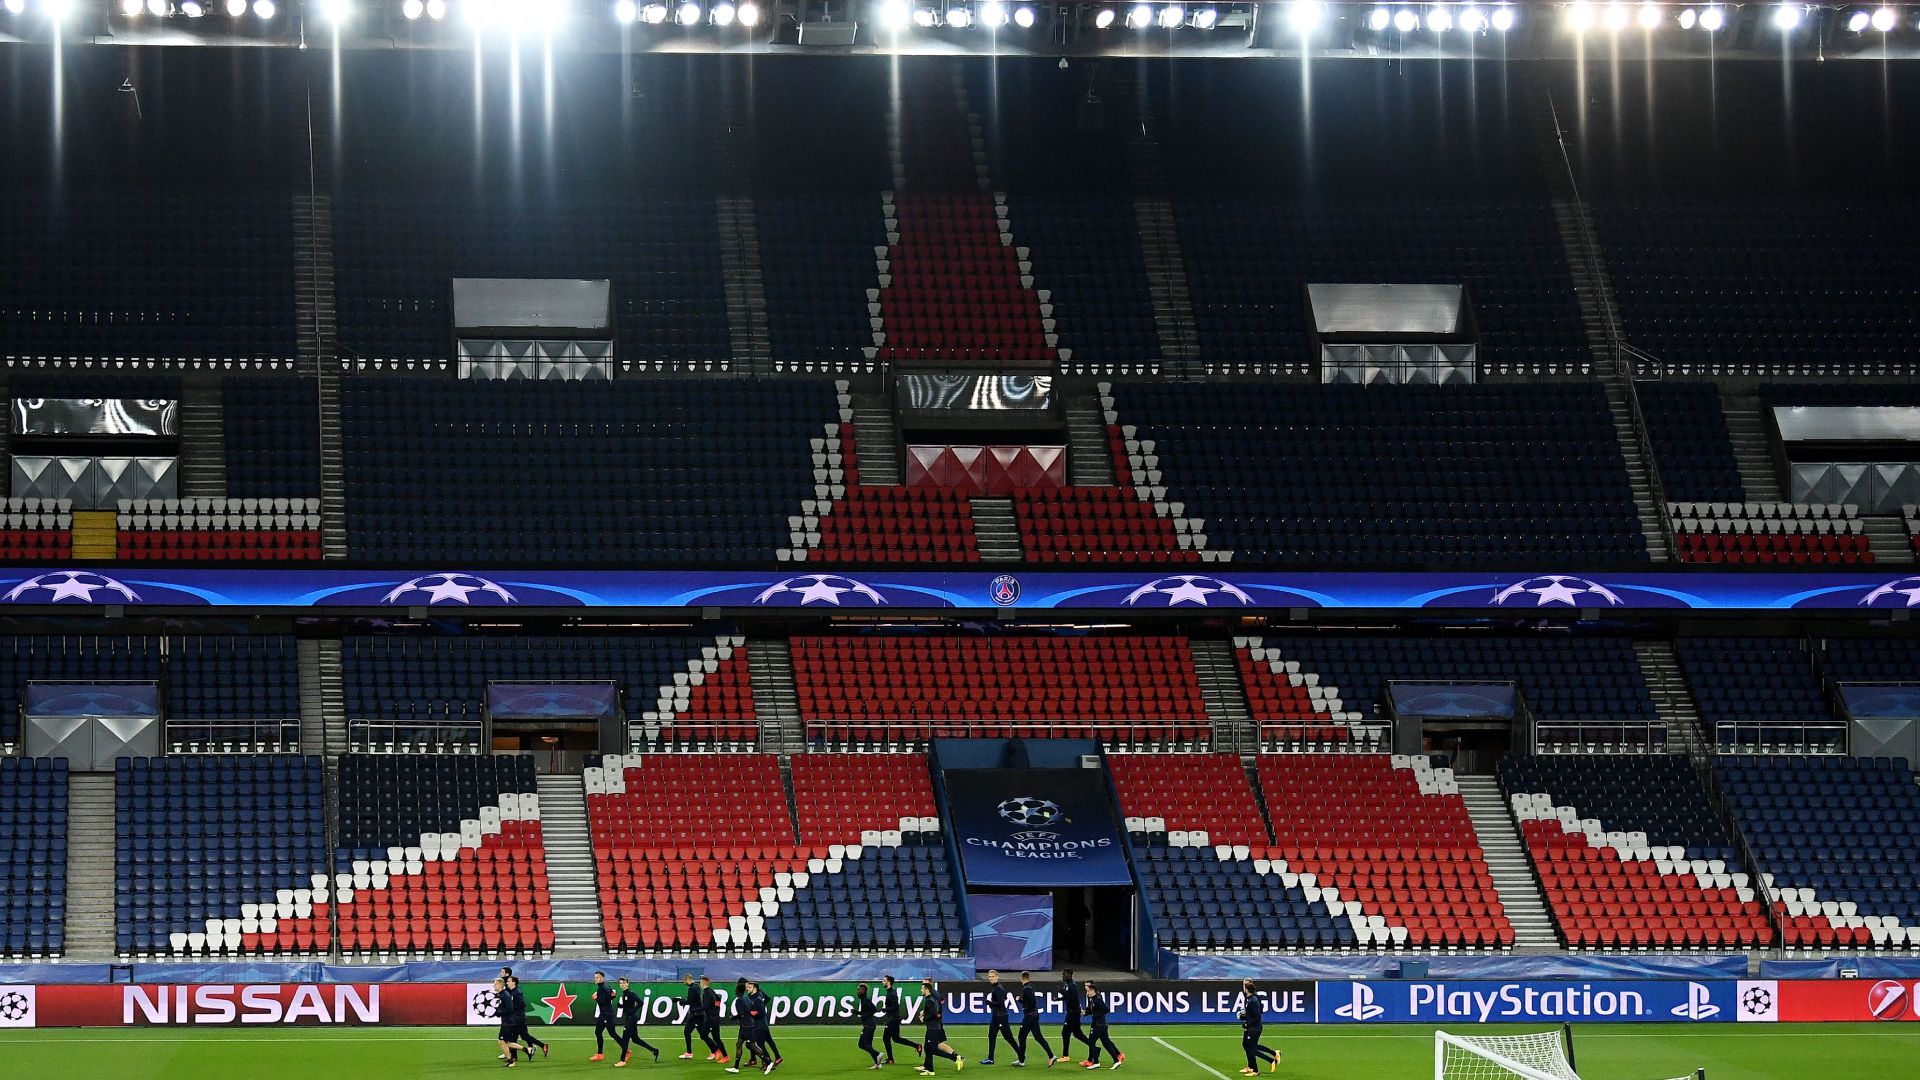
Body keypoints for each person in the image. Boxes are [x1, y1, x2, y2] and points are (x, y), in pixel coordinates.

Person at [917, 978, 963, 1076]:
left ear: (927, 987)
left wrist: (924, 1018)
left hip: (934, 1027)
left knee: (933, 1048)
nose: (921, 989)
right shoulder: (932, 998)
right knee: (928, 1047)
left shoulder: (931, 999)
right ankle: (929, 1069)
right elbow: (939, 1004)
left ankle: (955, 1058)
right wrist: (926, 1012)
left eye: (923, 987)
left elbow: (935, 1013)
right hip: (933, 1026)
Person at [615, 976, 663, 1068]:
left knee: (625, 1040)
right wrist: (621, 1006)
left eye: (624, 983)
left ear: (628, 984)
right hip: (630, 1018)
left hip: (630, 1019)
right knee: (635, 1039)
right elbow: (628, 1006)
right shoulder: (624, 994)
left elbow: (641, 1002)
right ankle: (654, 1050)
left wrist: (632, 1011)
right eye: (621, 983)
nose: (622, 985)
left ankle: (622, 1060)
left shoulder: (630, 993)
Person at [1015, 971, 1057, 1068]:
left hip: (1030, 1016)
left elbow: (1033, 1001)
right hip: (1033, 1015)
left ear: (1021, 978)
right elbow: (1030, 1001)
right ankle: (1051, 1056)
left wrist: (1026, 1007)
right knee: (1038, 1037)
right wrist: (1021, 1000)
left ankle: (1021, 1060)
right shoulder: (1030, 986)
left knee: (1021, 1036)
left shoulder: (1026, 989)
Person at [1238, 979, 1279, 1076]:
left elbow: (1257, 1015)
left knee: (1252, 1048)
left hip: (1254, 1028)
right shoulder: (1249, 999)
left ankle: (1258, 1068)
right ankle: (1253, 1066)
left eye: (1245, 985)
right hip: (1251, 1026)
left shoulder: (1253, 1000)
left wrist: (1249, 1023)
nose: (1243, 987)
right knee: (1248, 1046)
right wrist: (1244, 1016)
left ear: (1247, 988)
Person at [881, 974, 922, 1064]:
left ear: (888, 982)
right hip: (894, 1018)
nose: (882, 982)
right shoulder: (890, 992)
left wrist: (885, 1009)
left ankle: (890, 1059)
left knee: (885, 1038)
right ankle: (917, 1046)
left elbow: (895, 1007)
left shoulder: (892, 994)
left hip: (893, 1019)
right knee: (896, 1039)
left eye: (884, 980)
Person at [507, 976, 551, 1060]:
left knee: (524, 1036)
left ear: (513, 982)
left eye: (509, 981)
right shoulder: (513, 992)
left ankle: (542, 1045)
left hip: (518, 1017)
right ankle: (515, 1056)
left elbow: (522, 1004)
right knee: (515, 1037)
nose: (507, 983)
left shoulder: (517, 992)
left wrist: (511, 1008)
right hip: (516, 1017)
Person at [1081, 984, 1121, 1070]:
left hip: (1099, 1025)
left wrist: (1096, 1016)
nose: (1087, 993)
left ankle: (1096, 1062)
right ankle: (1116, 1061)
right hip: (1101, 1025)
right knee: (1106, 1043)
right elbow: (1093, 1010)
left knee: (1091, 1042)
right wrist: (1085, 1013)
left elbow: (1106, 1009)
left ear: (1092, 991)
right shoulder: (1093, 1000)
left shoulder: (1098, 999)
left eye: (1088, 991)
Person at [981, 970, 1015, 1066]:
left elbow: (1000, 1003)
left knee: (1008, 1037)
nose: (990, 978)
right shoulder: (997, 987)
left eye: (992, 976)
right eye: (989, 976)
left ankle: (1021, 1056)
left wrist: (989, 1003)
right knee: (991, 1036)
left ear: (997, 977)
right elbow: (1005, 997)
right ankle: (990, 1058)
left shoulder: (998, 988)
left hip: (1001, 1016)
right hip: (996, 1016)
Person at [726, 978, 759, 1073]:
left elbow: (741, 1014)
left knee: (752, 1045)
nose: (735, 991)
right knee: (741, 1044)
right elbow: (752, 1011)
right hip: (748, 1024)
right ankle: (736, 1067)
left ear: (738, 990)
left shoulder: (739, 1000)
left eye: (736, 990)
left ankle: (767, 1061)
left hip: (745, 1026)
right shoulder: (747, 998)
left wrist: (733, 1017)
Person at [1058, 971, 1091, 1066]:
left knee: (1065, 1033)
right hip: (1072, 1013)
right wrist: (1059, 999)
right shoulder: (1067, 984)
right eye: (1062, 975)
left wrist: (1063, 992)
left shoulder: (1073, 985)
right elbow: (1067, 997)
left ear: (1070, 975)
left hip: (1073, 1013)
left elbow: (1073, 998)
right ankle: (1094, 1048)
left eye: (1065, 975)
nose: (1063, 976)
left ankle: (1065, 1056)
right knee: (1077, 1034)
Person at [751, 982, 784, 1070]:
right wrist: (761, 1006)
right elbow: (768, 998)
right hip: (764, 1023)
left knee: (760, 1044)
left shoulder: (756, 997)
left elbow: (759, 1012)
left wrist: (758, 1008)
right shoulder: (759, 993)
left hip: (759, 1024)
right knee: (769, 1040)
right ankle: (778, 1057)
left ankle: (767, 1062)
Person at [493, 977, 522, 1068]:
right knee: (504, 1042)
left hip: (508, 1022)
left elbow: (510, 1009)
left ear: (500, 985)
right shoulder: (502, 994)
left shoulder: (504, 995)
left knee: (501, 1041)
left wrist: (499, 1013)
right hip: (508, 1021)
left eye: (495, 984)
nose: (494, 985)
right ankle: (526, 1050)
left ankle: (511, 1061)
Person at [591, 971, 619, 1062]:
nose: (595, 979)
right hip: (603, 1014)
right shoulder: (605, 986)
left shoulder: (602, 988)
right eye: (595, 977)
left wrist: (595, 998)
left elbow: (602, 1002)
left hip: (607, 1014)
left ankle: (626, 1050)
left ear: (602, 978)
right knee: (598, 1032)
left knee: (613, 1034)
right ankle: (600, 1054)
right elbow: (612, 995)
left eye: (597, 977)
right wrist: (613, 995)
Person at [701, 976, 729, 1064]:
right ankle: (716, 1050)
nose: (700, 983)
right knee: (703, 1035)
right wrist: (716, 1008)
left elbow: (705, 1006)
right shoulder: (710, 991)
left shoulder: (707, 992)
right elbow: (718, 999)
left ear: (703, 983)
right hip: (710, 1018)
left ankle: (725, 1056)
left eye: (701, 982)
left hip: (713, 1019)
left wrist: (695, 1009)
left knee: (716, 1038)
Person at [855, 982, 883, 1069]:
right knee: (868, 1045)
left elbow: (874, 1009)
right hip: (869, 1025)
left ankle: (878, 1054)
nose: (857, 991)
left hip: (868, 1026)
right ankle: (877, 1064)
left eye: (859, 990)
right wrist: (857, 1012)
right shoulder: (863, 1001)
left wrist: (865, 1015)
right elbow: (865, 1012)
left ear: (863, 991)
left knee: (861, 1044)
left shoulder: (866, 1000)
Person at [681, 973, 706, 1059]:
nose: (684, 983)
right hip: (697, 1014)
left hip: (696, 1014)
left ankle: (715, 1050)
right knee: (701, 1035)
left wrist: (680, 1001)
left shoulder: (692, 988)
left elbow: (689, 1001)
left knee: (702, 1035)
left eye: (684, 981)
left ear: (688, 979)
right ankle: (689, 1052)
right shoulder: (696, 986)